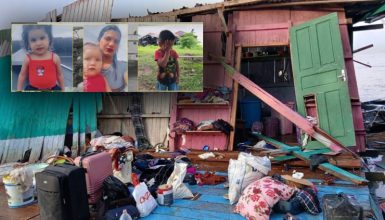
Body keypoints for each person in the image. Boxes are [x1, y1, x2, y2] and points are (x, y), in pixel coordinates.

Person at [17, 25, 65, 91]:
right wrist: (19, 90)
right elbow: (22, 75)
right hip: (33, 89)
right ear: (28, 43)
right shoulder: (28, 58)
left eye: (42, 38)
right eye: (33, 40)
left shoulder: (55, 57)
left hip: (52, 89)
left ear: (49, 38)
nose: (38, 43)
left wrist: (63, 90)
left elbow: (60, 75)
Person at [97, 25, 128, 92]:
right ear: (98, 40)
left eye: (116, 41)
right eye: (108, 39)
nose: (111, 44)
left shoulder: (124, 66)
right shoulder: (87, 65)